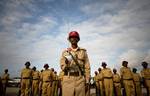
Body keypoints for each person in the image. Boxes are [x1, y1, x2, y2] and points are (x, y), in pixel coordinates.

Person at [60, 31, 91, 96]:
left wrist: (87, 80)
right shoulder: (65, 52)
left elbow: (87, 66)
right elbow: (62, 67)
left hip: (80, 79)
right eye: (71, 37)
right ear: (69, 40)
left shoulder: (83, 51)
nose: (73, 39)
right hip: (68, 79)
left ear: (78, 39)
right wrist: (66, 64)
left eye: (75, 37)